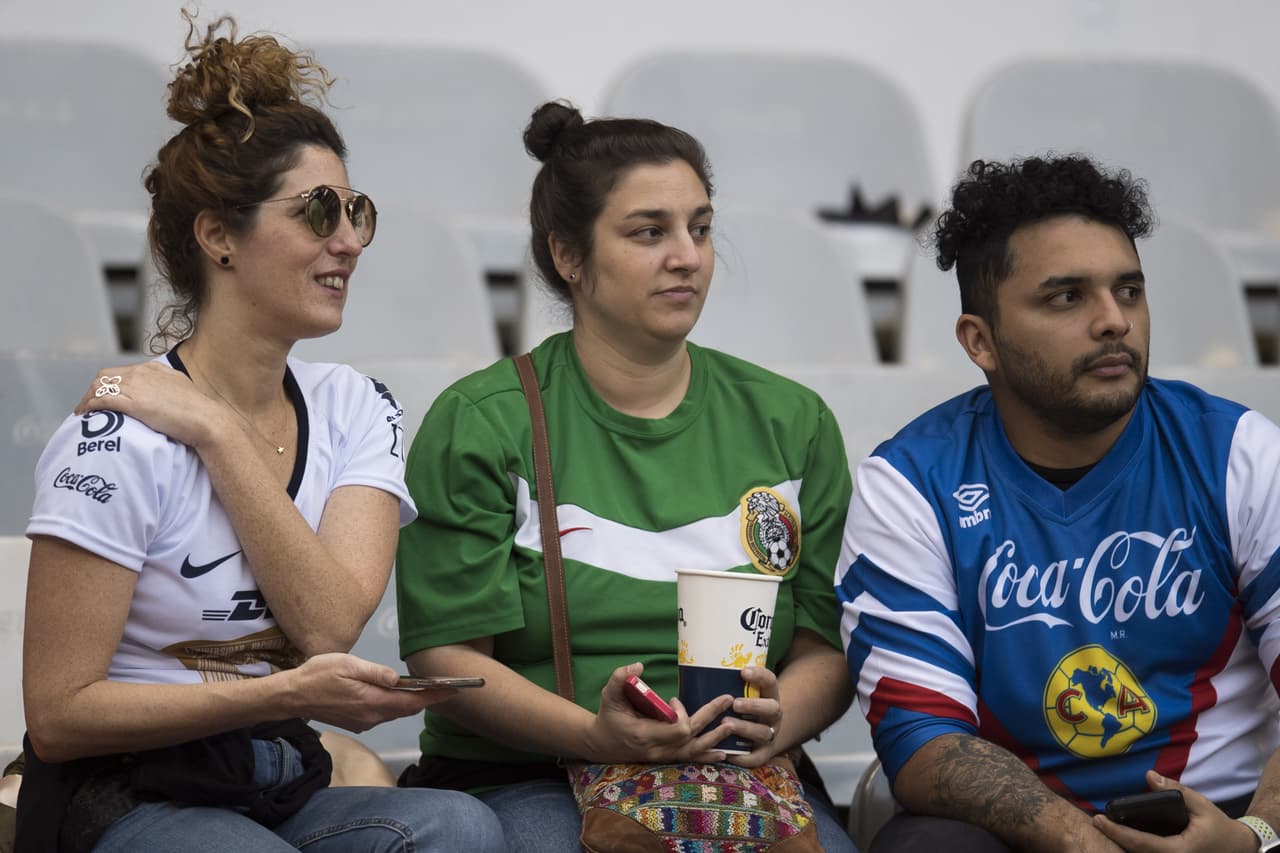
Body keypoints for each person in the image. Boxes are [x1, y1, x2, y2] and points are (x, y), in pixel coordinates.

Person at [16, 14, 503, 853]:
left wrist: (215, 431)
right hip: (127, 793)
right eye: (317, 212)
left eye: (356, 211)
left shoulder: (355, 405)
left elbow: (327, 627)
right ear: (218, 236)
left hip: (272, 779)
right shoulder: (117, 437)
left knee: (461, 826)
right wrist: (277, 696)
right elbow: (59, 716)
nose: (348, 241)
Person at [394, 100, 858, 851]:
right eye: (649, 232)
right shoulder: (482, 421)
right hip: (529, 771)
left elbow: (824, 647)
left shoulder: (792, 421)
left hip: (744, 774)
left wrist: (773, 723)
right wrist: (594, 733)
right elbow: (447, 660)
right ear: (569, 256)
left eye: (699, 229)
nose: (688, 256)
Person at [836, 154, 1280, 853]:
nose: (1114, 321)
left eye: (1128, 291)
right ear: (980, 340)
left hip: (1225, 816)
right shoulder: (910, 483)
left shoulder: (1240, 453)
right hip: (1025, 828)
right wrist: (1079, 841)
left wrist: (1255, 835)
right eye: (1067, 297)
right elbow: (923, 740)